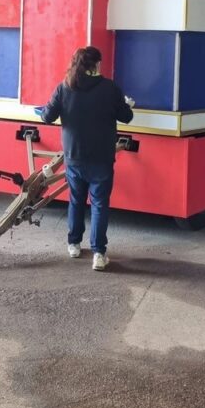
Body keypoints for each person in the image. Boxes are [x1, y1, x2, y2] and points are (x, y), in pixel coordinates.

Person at [39, 46, 133, 271]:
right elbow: (126, 117)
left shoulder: (64, 87)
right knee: (99, 204)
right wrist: (127, 104)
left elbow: (46, 116)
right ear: (96, 64)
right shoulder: (110, 88)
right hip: (101, 157)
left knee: (76, 200)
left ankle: (74, 244)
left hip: (74, 157)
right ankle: (99, 254)